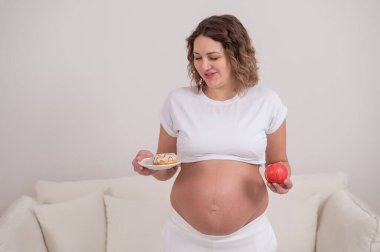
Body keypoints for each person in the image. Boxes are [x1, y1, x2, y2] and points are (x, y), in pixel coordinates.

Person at [132, 14, 293, 252]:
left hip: (249, 238)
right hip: (184, 236)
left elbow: (278, 162)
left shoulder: (266, 102)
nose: (203, 66)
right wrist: (150, 167)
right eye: (197, 58)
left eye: (213, 57)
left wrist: (282, 181)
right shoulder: (178, 101)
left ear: (236, 54)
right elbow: (166, 168)